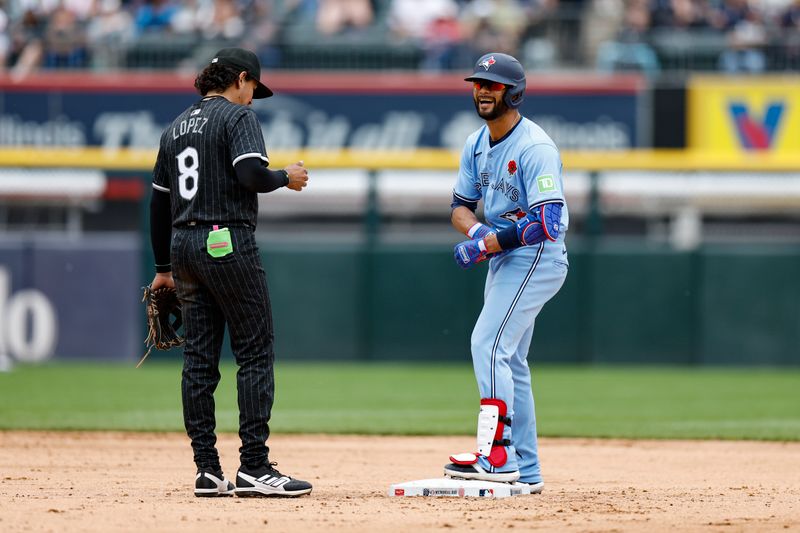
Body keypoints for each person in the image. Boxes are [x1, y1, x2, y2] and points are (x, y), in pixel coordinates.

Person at [148, 47, 312, 498]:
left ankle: (206, 470)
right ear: (241, 79)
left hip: (182, 246)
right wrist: (286, 176)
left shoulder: (175, 126)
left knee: (199, 358)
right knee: (254, 351)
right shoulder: (237, 118)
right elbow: (251, 176)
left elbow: (159, 204)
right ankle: (255, 467)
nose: (252, 99)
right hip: (226, 240)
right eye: (253, 90)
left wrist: (162, 268)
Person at [444, 52, 569, 494]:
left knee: (487, 341)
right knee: (511, 359)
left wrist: (486, 244)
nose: (482, 89)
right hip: (505, 257)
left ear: (512, 92)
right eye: (478, 82)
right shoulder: (476, 143)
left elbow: (546, 222)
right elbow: (459, 206)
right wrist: (479, 234)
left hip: (538, 257)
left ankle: (496, 455)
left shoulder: (534, 146)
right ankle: (527, 467)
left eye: (492, 84)